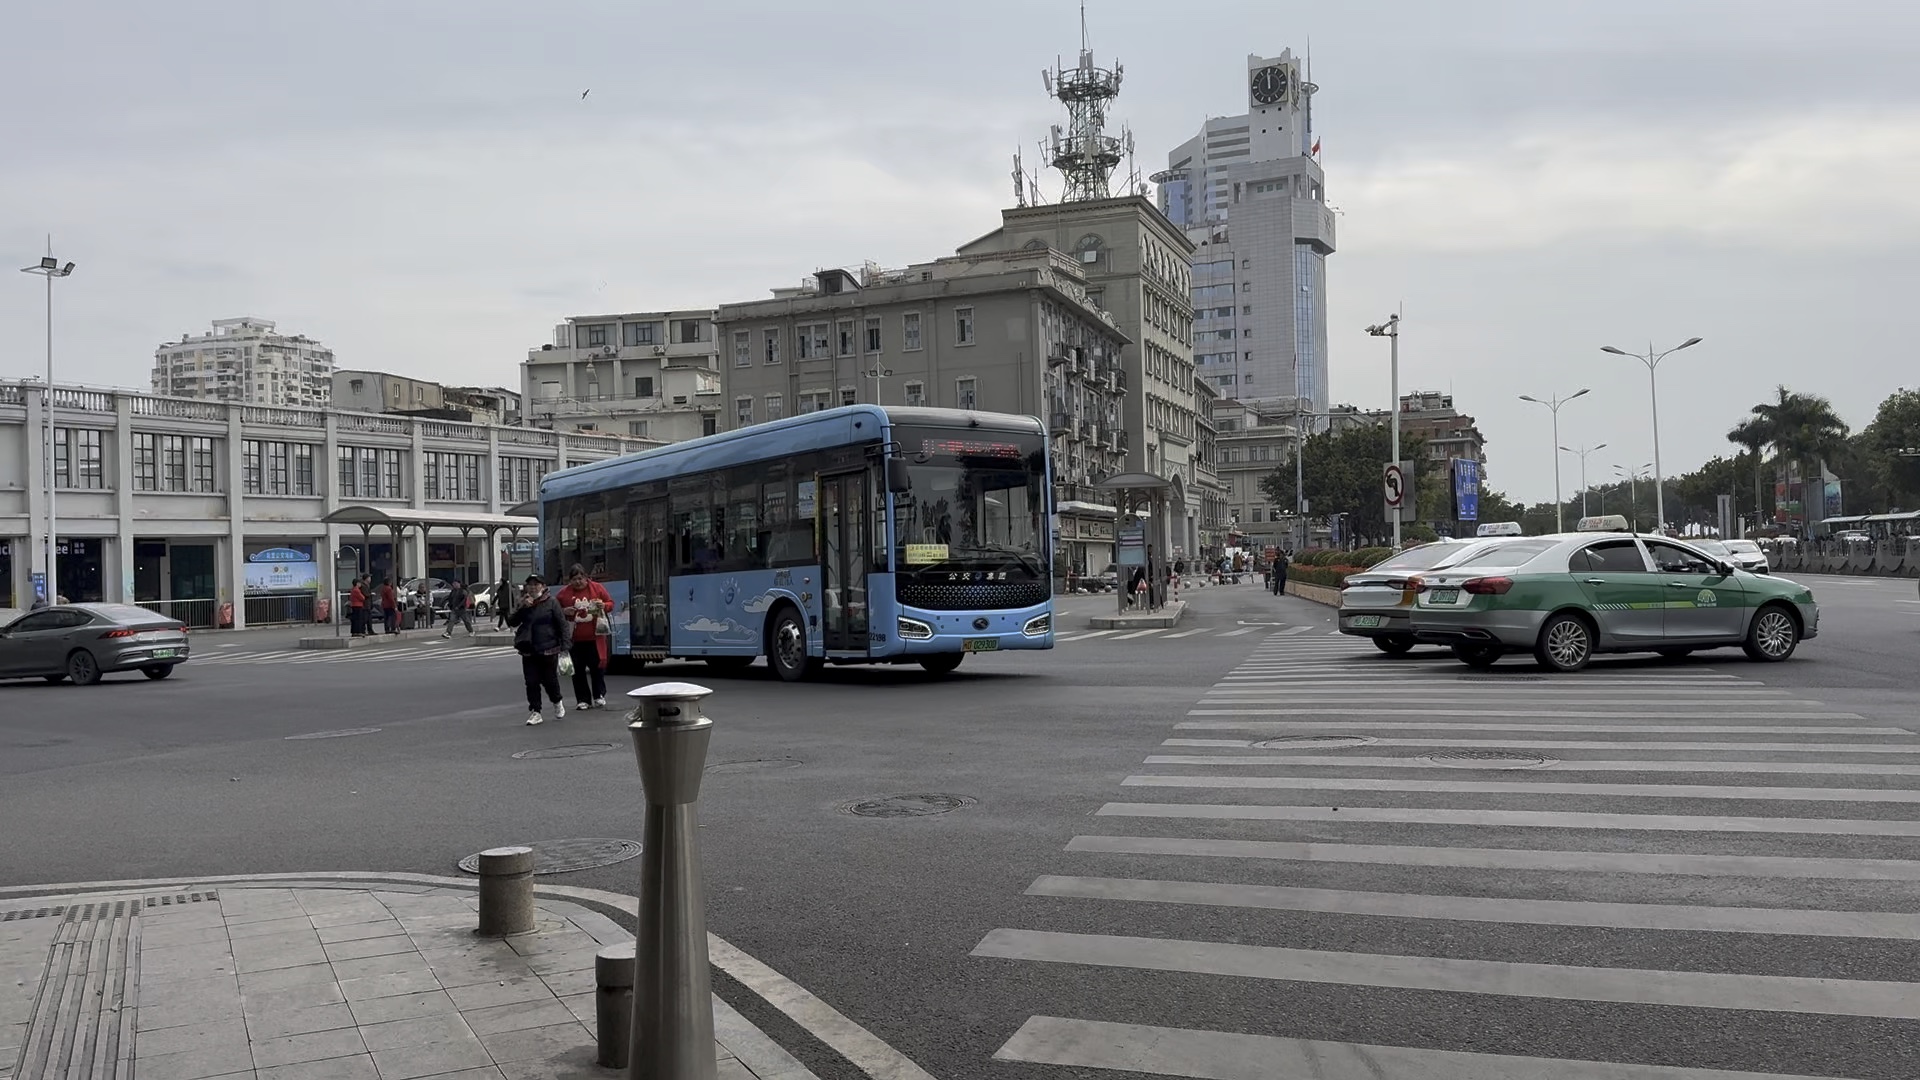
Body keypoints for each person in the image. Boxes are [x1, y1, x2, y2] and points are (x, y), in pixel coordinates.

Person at [506, 574, 570, 725]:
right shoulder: (524, 603)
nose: (533, 588)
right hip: (529, 648)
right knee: (531, 681)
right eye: (530, 585)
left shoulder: (552, 602)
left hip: (549, 648)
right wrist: (522, 607)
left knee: (549, 680)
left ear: (543, 586)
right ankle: (536, 711)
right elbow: (512, 622)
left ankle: (557, 701)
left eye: (537, 584)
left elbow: (562, 624)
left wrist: (565, 646)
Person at [556, 563, 613, 710]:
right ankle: (583, 699)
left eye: (580, 578)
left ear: (586, 578)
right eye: (574, 579)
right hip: (574, 639)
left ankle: (598, 695)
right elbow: (554, 610)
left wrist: (603, 606)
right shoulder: (563, 593)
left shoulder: (597, 588)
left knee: (597, 667)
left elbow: (610, 603)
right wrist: (564, 611)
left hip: (595, 637)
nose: (578, 582)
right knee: (578, 670)